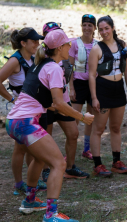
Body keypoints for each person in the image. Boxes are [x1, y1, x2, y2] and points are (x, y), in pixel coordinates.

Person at [5, 28, 94, 222]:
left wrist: (71, 113)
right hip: (26, 123)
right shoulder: (54, 68)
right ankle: (51, 214)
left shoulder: (41, 64)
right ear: (61, 47)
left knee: (40, 159)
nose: (71, 46)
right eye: (68, 44)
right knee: (58, 163)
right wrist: (82, 117)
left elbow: (53, 104)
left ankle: (29, 201)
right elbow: (60, 103)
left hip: (14, 122)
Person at [0, 27, 47, 194]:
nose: (37, 44)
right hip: (22, 112)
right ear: (23, 43)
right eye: (34, 41)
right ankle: (18, 185)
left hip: (34, 110)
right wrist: (12, 100)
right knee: (21, 148)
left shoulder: (32, 57)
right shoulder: (15, 61)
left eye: (39, 41)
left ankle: (33, 181)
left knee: (32, 147)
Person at [41, 22, 89, 181]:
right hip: (47, 104)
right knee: (46, 137)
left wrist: (72, 89)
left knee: (73, 133)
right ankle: (46, 169)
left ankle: (70, 167)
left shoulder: (63, 56)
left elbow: (68, 76)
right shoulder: (42, 60)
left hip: (63, 100)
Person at [88, 15, 127, 177]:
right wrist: (94, 98)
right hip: (103, 89)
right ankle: (98, 164)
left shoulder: (122, 45)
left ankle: (117, 161)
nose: (104, 32)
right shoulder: (97, 48)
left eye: (106, 28)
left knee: (116, 127)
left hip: (118, 89)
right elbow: (92, 75)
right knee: (99, 129)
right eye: (100, 29)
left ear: (112, 28)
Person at [69, 14, 98, 160]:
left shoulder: (98, 44)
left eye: (90, 25)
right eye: (84, 25)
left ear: (94, 28)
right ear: (81, 26)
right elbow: (69, 68)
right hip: (79, 84)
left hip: (93, 85)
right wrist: (71, 88)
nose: (87, 28)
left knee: (90, 118)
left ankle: (87, 149)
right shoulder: (75, 43)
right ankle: (70, 150)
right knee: (74, 117)